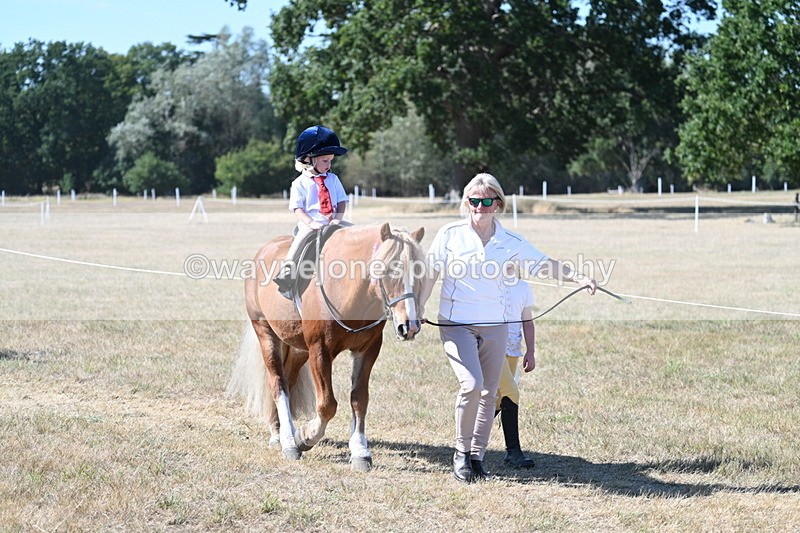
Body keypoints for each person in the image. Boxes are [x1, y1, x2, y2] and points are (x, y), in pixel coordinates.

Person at [419, 173, 596, 483]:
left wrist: (579, 277)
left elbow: (545, 263)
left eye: (487, 201)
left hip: (496, 325)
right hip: (455, 323)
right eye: (474, 201)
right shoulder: (450, 234)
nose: (479, 207)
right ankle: (460, 454)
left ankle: (477, 457)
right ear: (466, 202)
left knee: (490, 393)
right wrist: (419, 307)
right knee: (471, 385)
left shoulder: (510, 242)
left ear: (497, 204)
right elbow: (431, 272)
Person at [273, 125, 351, 292]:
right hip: (311, 225)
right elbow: (297, 208)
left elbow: (342, 201)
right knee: (301, 240)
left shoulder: (333, 179)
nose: (329, 165)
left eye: (331, 161)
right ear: (309, 159)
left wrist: (338, 217)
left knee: (355, 232)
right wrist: (311, 223)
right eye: (325, 161)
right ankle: (288, 272)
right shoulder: (299, 183)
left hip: (334, 221)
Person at [496, 274, 537, 468]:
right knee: (511, 392)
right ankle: (513, 451)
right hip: (492, 346)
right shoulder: (489, 284)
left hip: (513, 348)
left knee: (497, 399)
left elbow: (527, 321)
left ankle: (467, 445)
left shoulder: (523, 287)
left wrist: (530, 351)